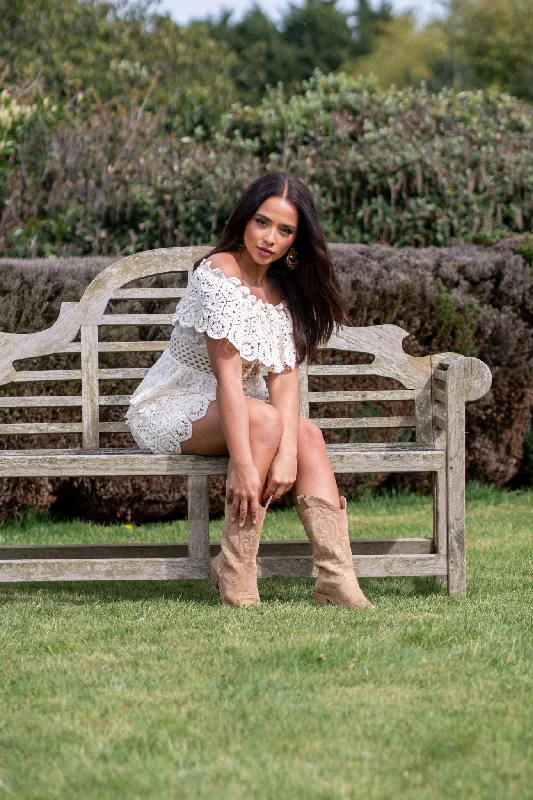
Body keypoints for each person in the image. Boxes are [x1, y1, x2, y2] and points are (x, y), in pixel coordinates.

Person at [125, 171, 373, 611]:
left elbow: (283, 378)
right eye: (262, 222)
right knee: (265, 419)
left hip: (247, 414)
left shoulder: (284, 290)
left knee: (308, 436)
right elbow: (228, 381)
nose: (269, 238)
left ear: (296, 240)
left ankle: (336, 578)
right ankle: (237, 567)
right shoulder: (217, 275)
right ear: (244, 218)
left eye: (284, 230)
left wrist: (288, 455)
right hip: (173, 406)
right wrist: (242, 465)